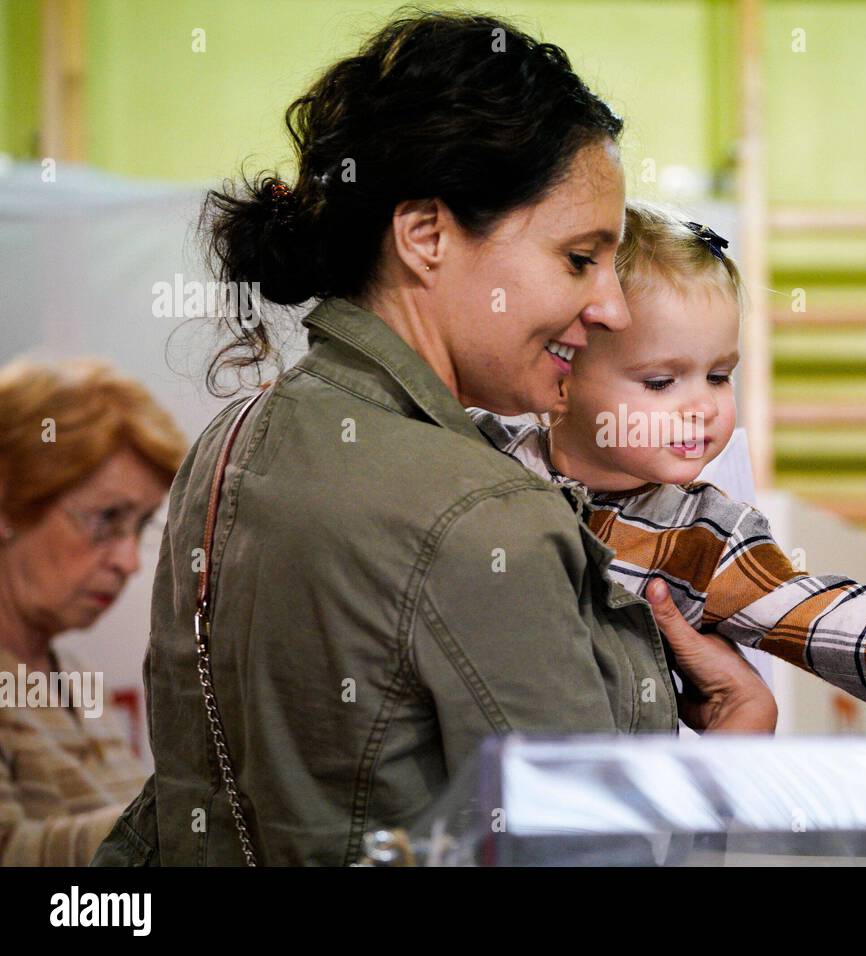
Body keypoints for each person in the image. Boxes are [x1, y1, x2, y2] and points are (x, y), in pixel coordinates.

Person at [93, 11, 776, 868]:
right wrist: (733, 759)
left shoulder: (229, 442)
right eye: (578, 259)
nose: (612, 308)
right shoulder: (488, 517)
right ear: (426, 236)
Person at [469, 199, 866, 711]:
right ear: (563, 372)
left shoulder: (703, 537)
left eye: (718, 376)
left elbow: (820, 614)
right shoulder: (482, 452)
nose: (702, 407)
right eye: (660, 382)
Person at [0, 357, 186, 865]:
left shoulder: (75, 678)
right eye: (106, 518)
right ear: (9, 503)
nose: (128, 561)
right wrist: (193, 810)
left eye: (140, 525)